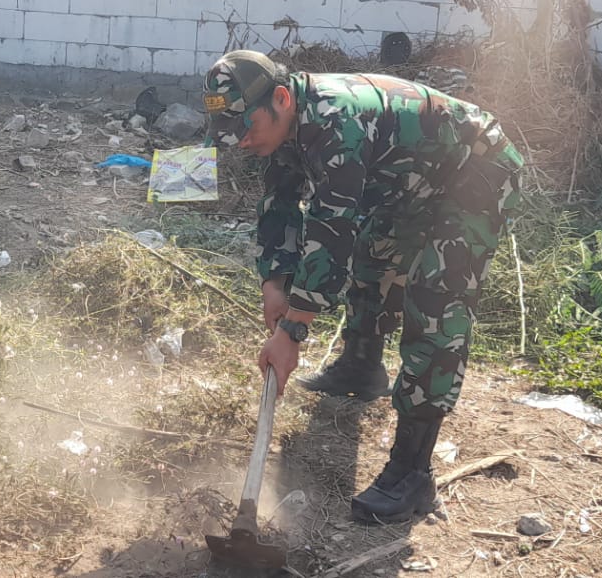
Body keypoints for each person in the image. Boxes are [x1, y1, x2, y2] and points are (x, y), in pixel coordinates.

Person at [203, 50, 523, 524]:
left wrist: (293, 331)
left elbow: (332, 228)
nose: (242, 140)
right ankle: (360, 366)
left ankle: (413, 473)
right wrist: (275, 283)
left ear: (282, 98)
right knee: (373, 260)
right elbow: (279, 205)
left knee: (436, 302)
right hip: (409, 179)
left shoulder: (336, 122)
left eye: (246, 126)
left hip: (474, 172)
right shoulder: (280, 128)